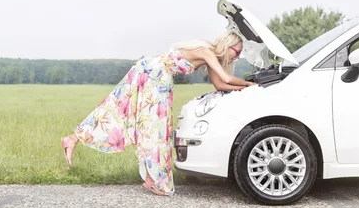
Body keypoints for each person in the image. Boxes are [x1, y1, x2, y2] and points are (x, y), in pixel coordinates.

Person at [60, 31, 255, 196]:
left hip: (155, 74)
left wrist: (245, 88)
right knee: (154, 126)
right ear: (227, 44)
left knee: (132, 114)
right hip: (155, 74)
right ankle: (156, 180)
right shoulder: (206, 51)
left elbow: (219, 85)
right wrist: (251, 84)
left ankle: (74, 138)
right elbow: (226, 78)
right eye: (237, 51)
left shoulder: (210, 55)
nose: (237, 56)